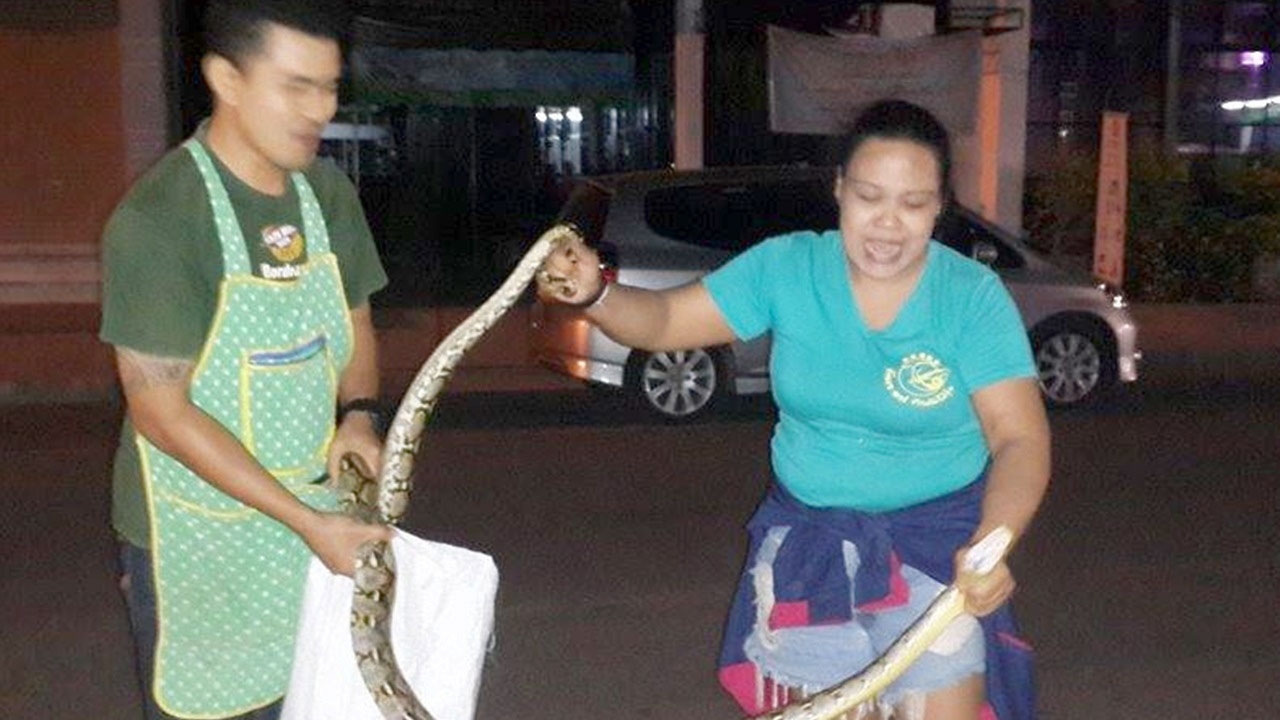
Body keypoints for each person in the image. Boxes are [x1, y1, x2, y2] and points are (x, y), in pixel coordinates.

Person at [536, 100, 1050, 720]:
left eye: (913, 204)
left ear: (941, 206)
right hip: (811, 545)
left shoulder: (970, 297)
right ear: (839, 191)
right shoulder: (788, 267)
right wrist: (597, 293)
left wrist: (992, 544)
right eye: (869, 197)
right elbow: (666, 319)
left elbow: (1019, 437)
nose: (888, 224)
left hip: (938, 547)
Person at [98, 1, 392, 718]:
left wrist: (358, 416)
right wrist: (306, 522)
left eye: (328, 86)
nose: (320, 109)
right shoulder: (162, 219)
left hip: (318, 520)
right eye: (296, 87)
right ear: (225, 78)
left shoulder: (326, 195)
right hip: (196, 540)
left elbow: (354, 327)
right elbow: (161, 412)